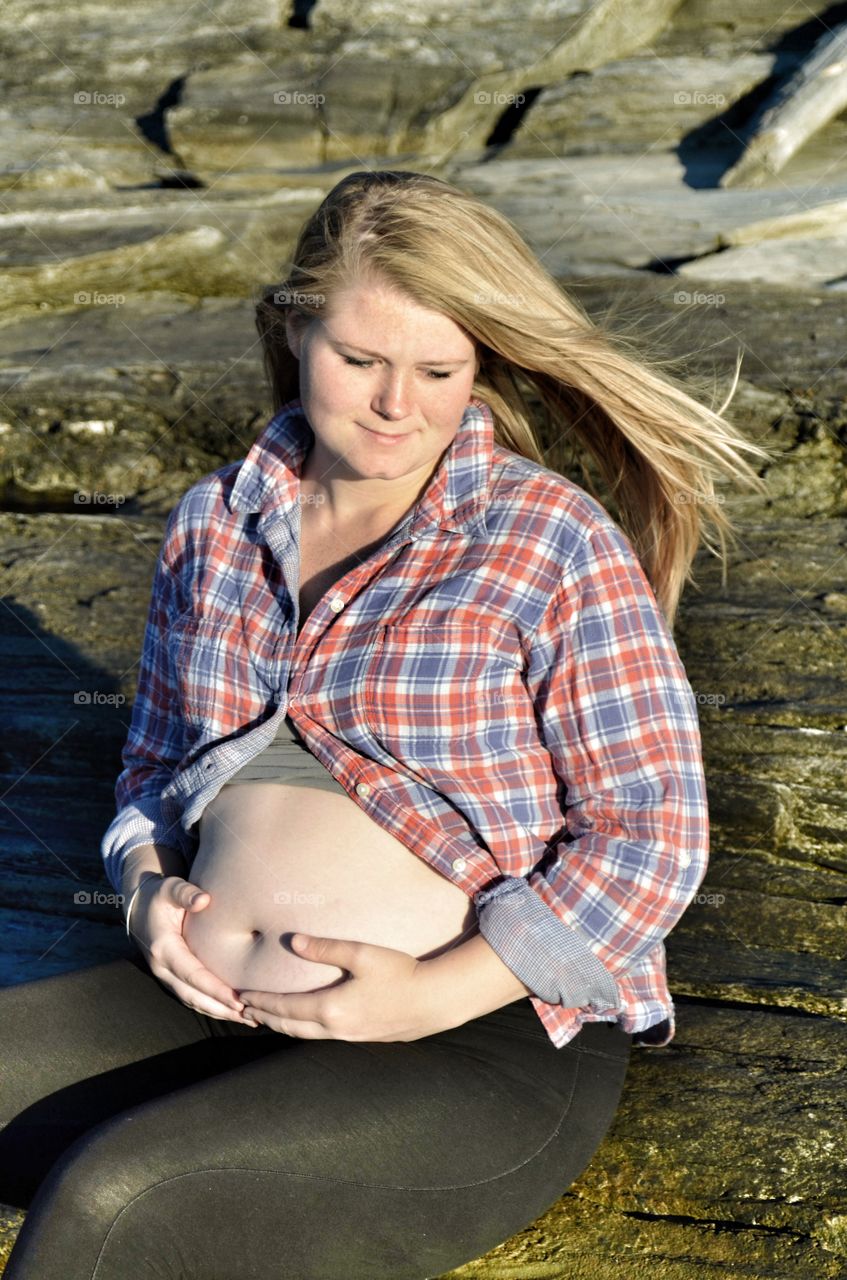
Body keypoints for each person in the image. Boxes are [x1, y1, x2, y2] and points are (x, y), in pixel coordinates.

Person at [0, 169, 772, 1280]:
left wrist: (433, 990)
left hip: (473, 1040)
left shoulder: (549, 537)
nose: (395, 403)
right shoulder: (215, 523)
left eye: (438, 369)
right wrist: (144, 893)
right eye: (360, 359)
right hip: (197, 1005)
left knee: (118, 1200)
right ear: (295, 326)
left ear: (480, 367)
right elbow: (155, 767)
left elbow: (652, 831)